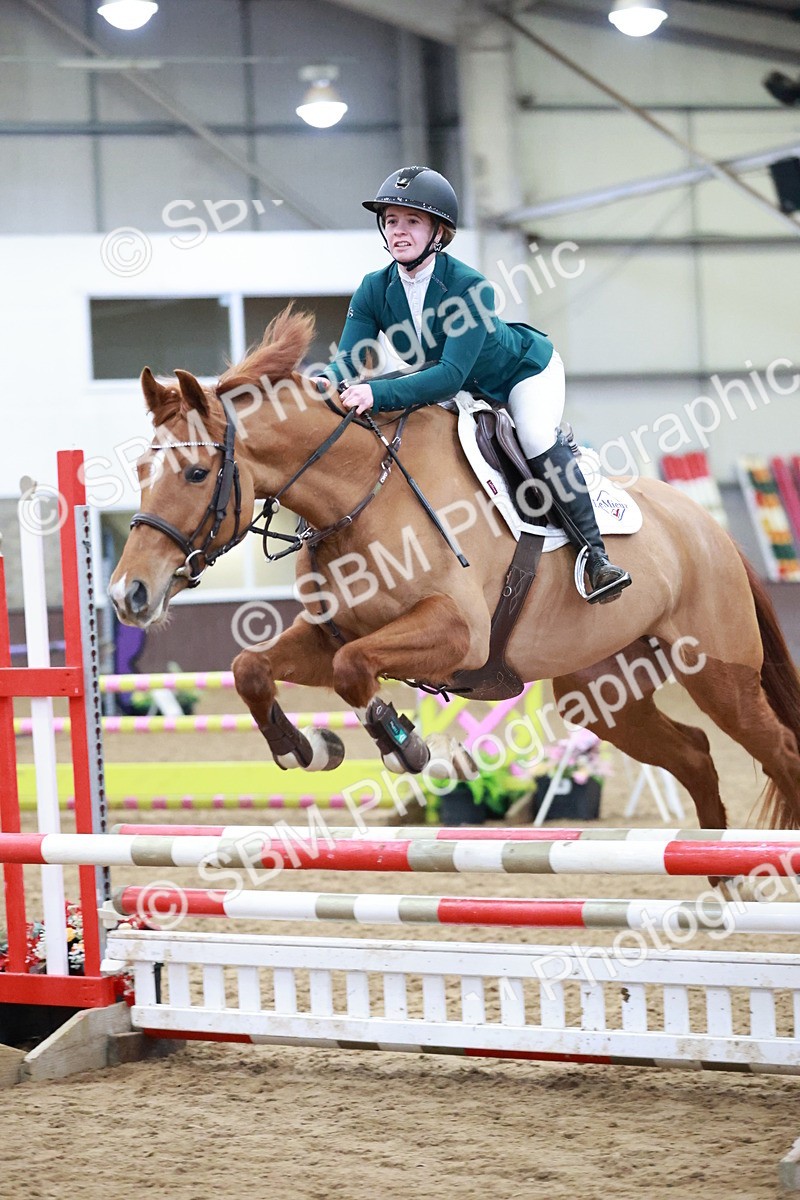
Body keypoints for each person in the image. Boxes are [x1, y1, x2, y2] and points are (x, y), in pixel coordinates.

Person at [319, 165, 631, 603]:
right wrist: (319, 384)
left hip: (521, 375)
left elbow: (449, 377)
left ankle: (596, 558)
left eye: (412, 221)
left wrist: (377, 392)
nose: (398, 231)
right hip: (463, 388)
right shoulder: (374, 288)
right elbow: (350, 360)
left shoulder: (470, 287)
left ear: (438, 232)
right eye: (390, 221)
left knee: (534, 435)